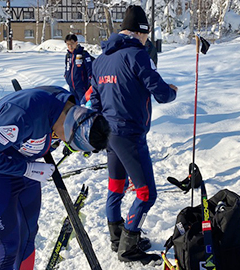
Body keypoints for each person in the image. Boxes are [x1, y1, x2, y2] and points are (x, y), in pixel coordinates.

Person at [0, 86, 110, 270]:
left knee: (28, 235)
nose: (62, 143)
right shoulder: (22, 114)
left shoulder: (68, 107)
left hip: (28, 166)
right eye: (67, 141)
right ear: (68, 128)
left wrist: (33, 164)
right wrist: (26, 169)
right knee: (8, 246)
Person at [90, 5, 178, 265]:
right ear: (140, 32)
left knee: (115, 188)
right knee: (146, 193)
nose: (147, 39)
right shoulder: (137, 55)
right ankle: (128, 246)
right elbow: (160, 92)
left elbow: (94, 99)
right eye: (146, 34)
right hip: (130, 135)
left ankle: (117, 238)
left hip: (109, 133)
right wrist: (171, 90)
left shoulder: (101, 59)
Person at [64, 34, 93, 104]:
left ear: (76, 43)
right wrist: (66, 76)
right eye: (68, 44)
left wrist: (90, 83)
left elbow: (90, 69)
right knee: (73, 106)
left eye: (72, 44)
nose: (70, 46)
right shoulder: (68, 56)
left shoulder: (83, 54)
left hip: (82, 87)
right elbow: (67, 68)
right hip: (72, 87)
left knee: (83, 105)